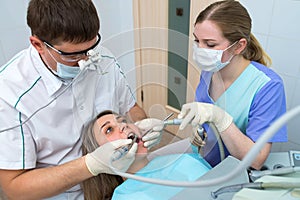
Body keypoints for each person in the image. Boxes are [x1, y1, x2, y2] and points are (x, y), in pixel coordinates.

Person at [0, 0, 163, 199]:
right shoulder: (9, 93)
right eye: (74, 55)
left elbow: (130, 108)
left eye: (91, 48)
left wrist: (140, 126)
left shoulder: (103, 59)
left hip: (117, 180)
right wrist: (90, 165)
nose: (86, 60)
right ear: (38, 44)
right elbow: (14, 187)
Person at [178, 0, 287, 170]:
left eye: (210, 44)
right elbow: (205, 118)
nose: (200, 49)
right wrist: (197, 131)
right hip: (202, 161)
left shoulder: (268, 87)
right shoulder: (210, 70)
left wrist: (221, 118)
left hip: (232, 173)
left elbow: (256, 160)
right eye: (197, 40)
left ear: (239, 46)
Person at [81, 110, 211, 200]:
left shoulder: (185, 159)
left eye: (123, 120)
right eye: (109, 129)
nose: (123, 126)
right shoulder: (124, 196)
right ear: (100, 155)